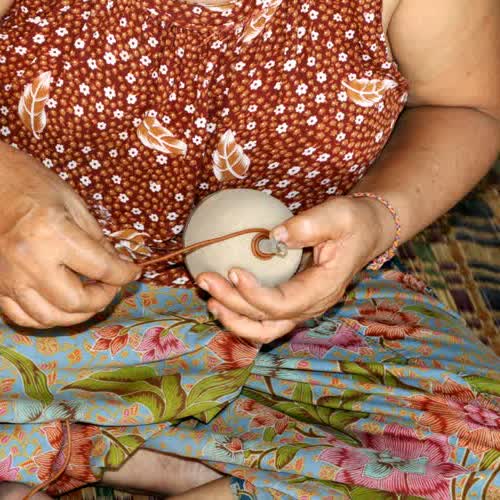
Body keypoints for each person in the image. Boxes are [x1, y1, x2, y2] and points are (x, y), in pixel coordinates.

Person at [0, 0, 498, 498]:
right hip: (20, 296)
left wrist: (377, 217)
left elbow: (464, 107)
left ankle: (84, 442)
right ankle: (169, 449)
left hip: (299, 313)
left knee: (481, 460)